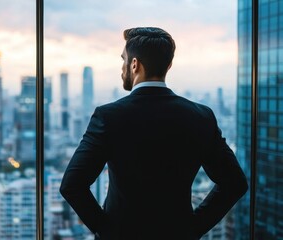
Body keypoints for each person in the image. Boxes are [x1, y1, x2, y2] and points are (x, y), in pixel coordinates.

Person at [59, 27, 248, 240]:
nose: (122, 68)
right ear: (168, 65)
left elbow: (72, 185)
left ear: (134, 64)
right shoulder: (201, 116)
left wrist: (108, 230)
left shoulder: (109, 116)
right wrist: (193, 226)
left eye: (123, 60)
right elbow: (235, 183)